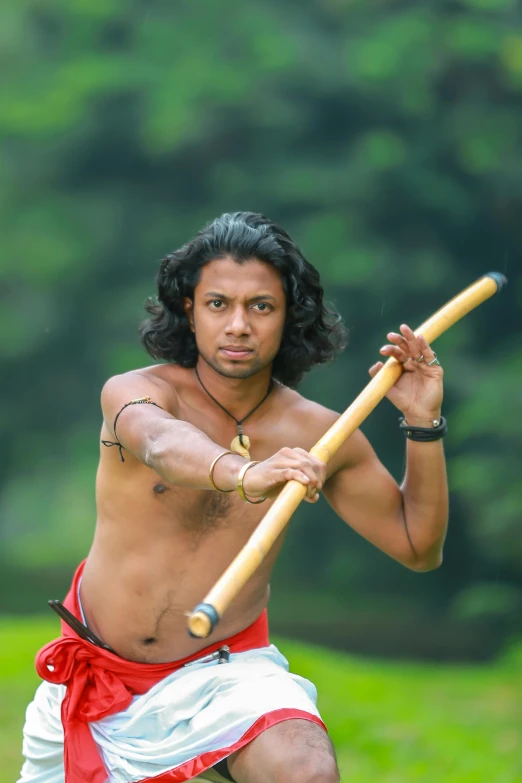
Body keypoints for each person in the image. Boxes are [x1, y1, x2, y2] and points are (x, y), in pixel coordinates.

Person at [18, 212, 448, 783]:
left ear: (290, 316)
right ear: (189, 312)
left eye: (261, 307)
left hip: (225, 675)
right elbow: (164, 445)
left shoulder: (324, 433)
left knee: (304, 768)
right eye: (218, 304)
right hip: (97, 677)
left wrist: (424, 426)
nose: (238, 325)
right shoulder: (135, 394)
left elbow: (418, 546)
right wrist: (245, 474)